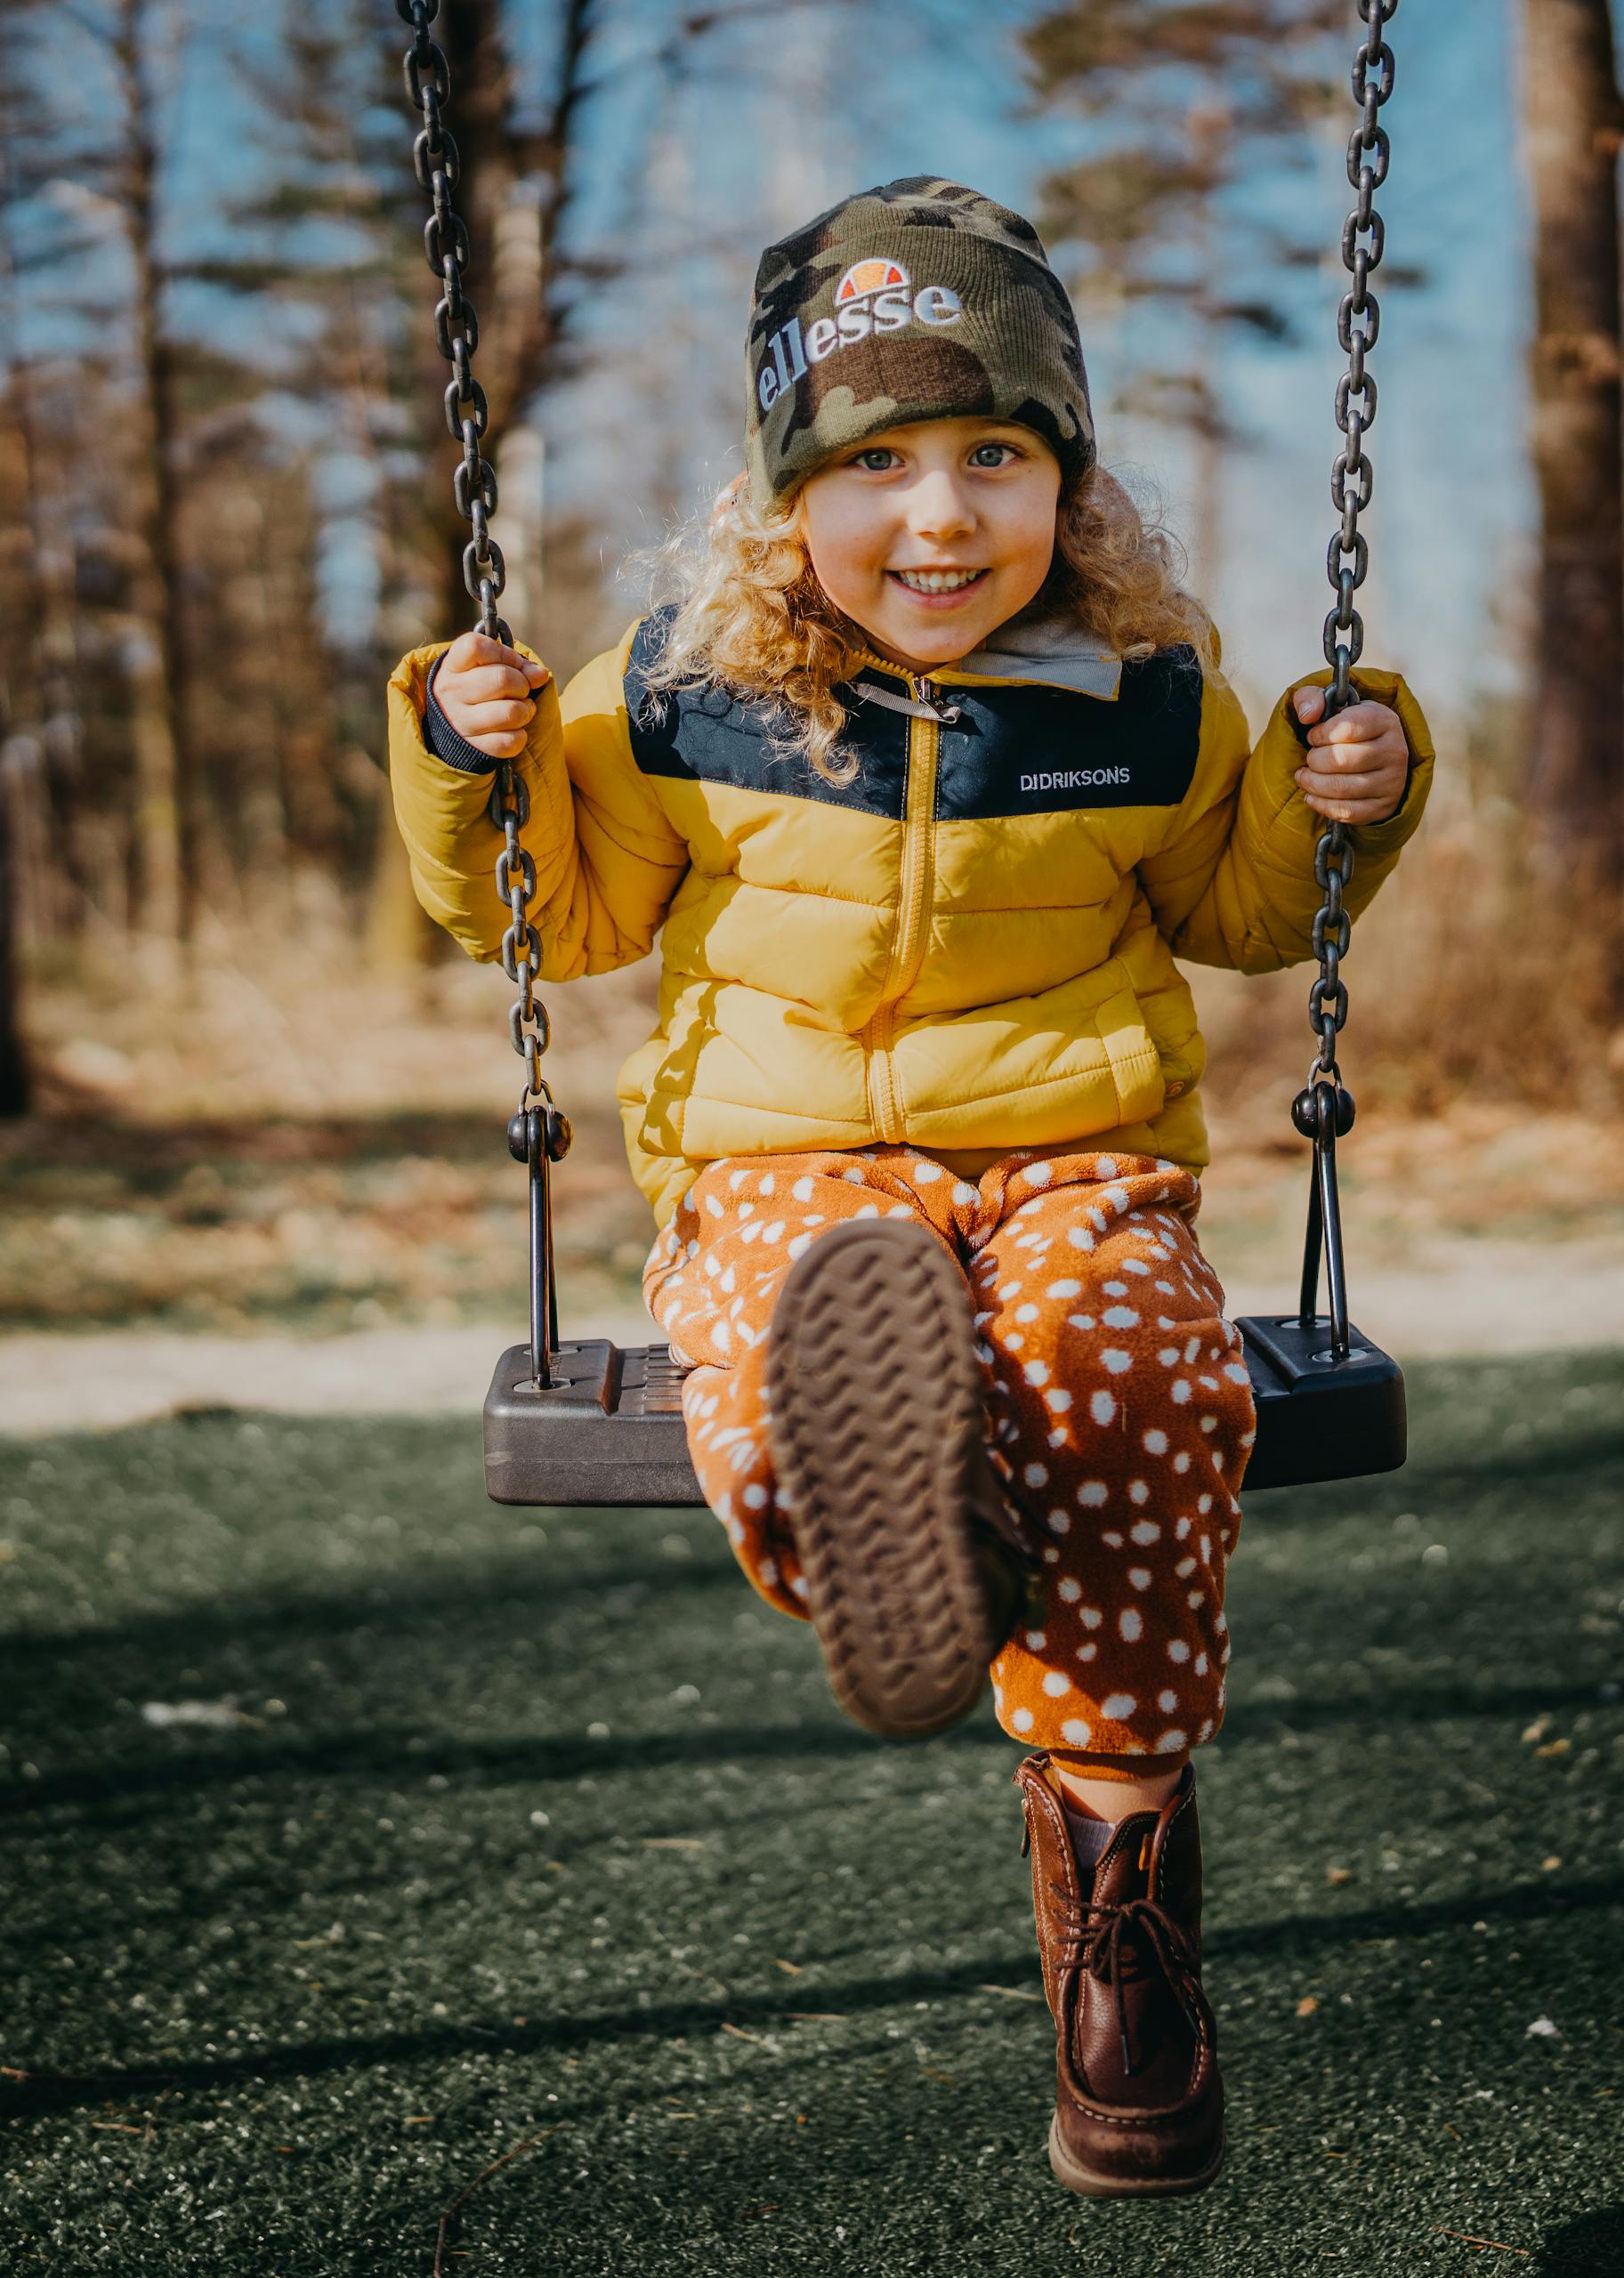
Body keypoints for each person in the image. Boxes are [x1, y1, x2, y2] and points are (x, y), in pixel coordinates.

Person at [385, 177, 1433, 2198]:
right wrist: (466, 751)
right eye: (872, 462)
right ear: (786, 492)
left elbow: (1234, 911)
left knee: (1132, 1374)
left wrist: (1347, 801)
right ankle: (909, 1504)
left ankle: (1120, 1938)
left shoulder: (1142, 686)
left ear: (1068, 482)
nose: (938, 515)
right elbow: (567, 909)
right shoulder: (681, 682)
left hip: (1072, 1156)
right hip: (787, 1162)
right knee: (798, 1335)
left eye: (994, 456)